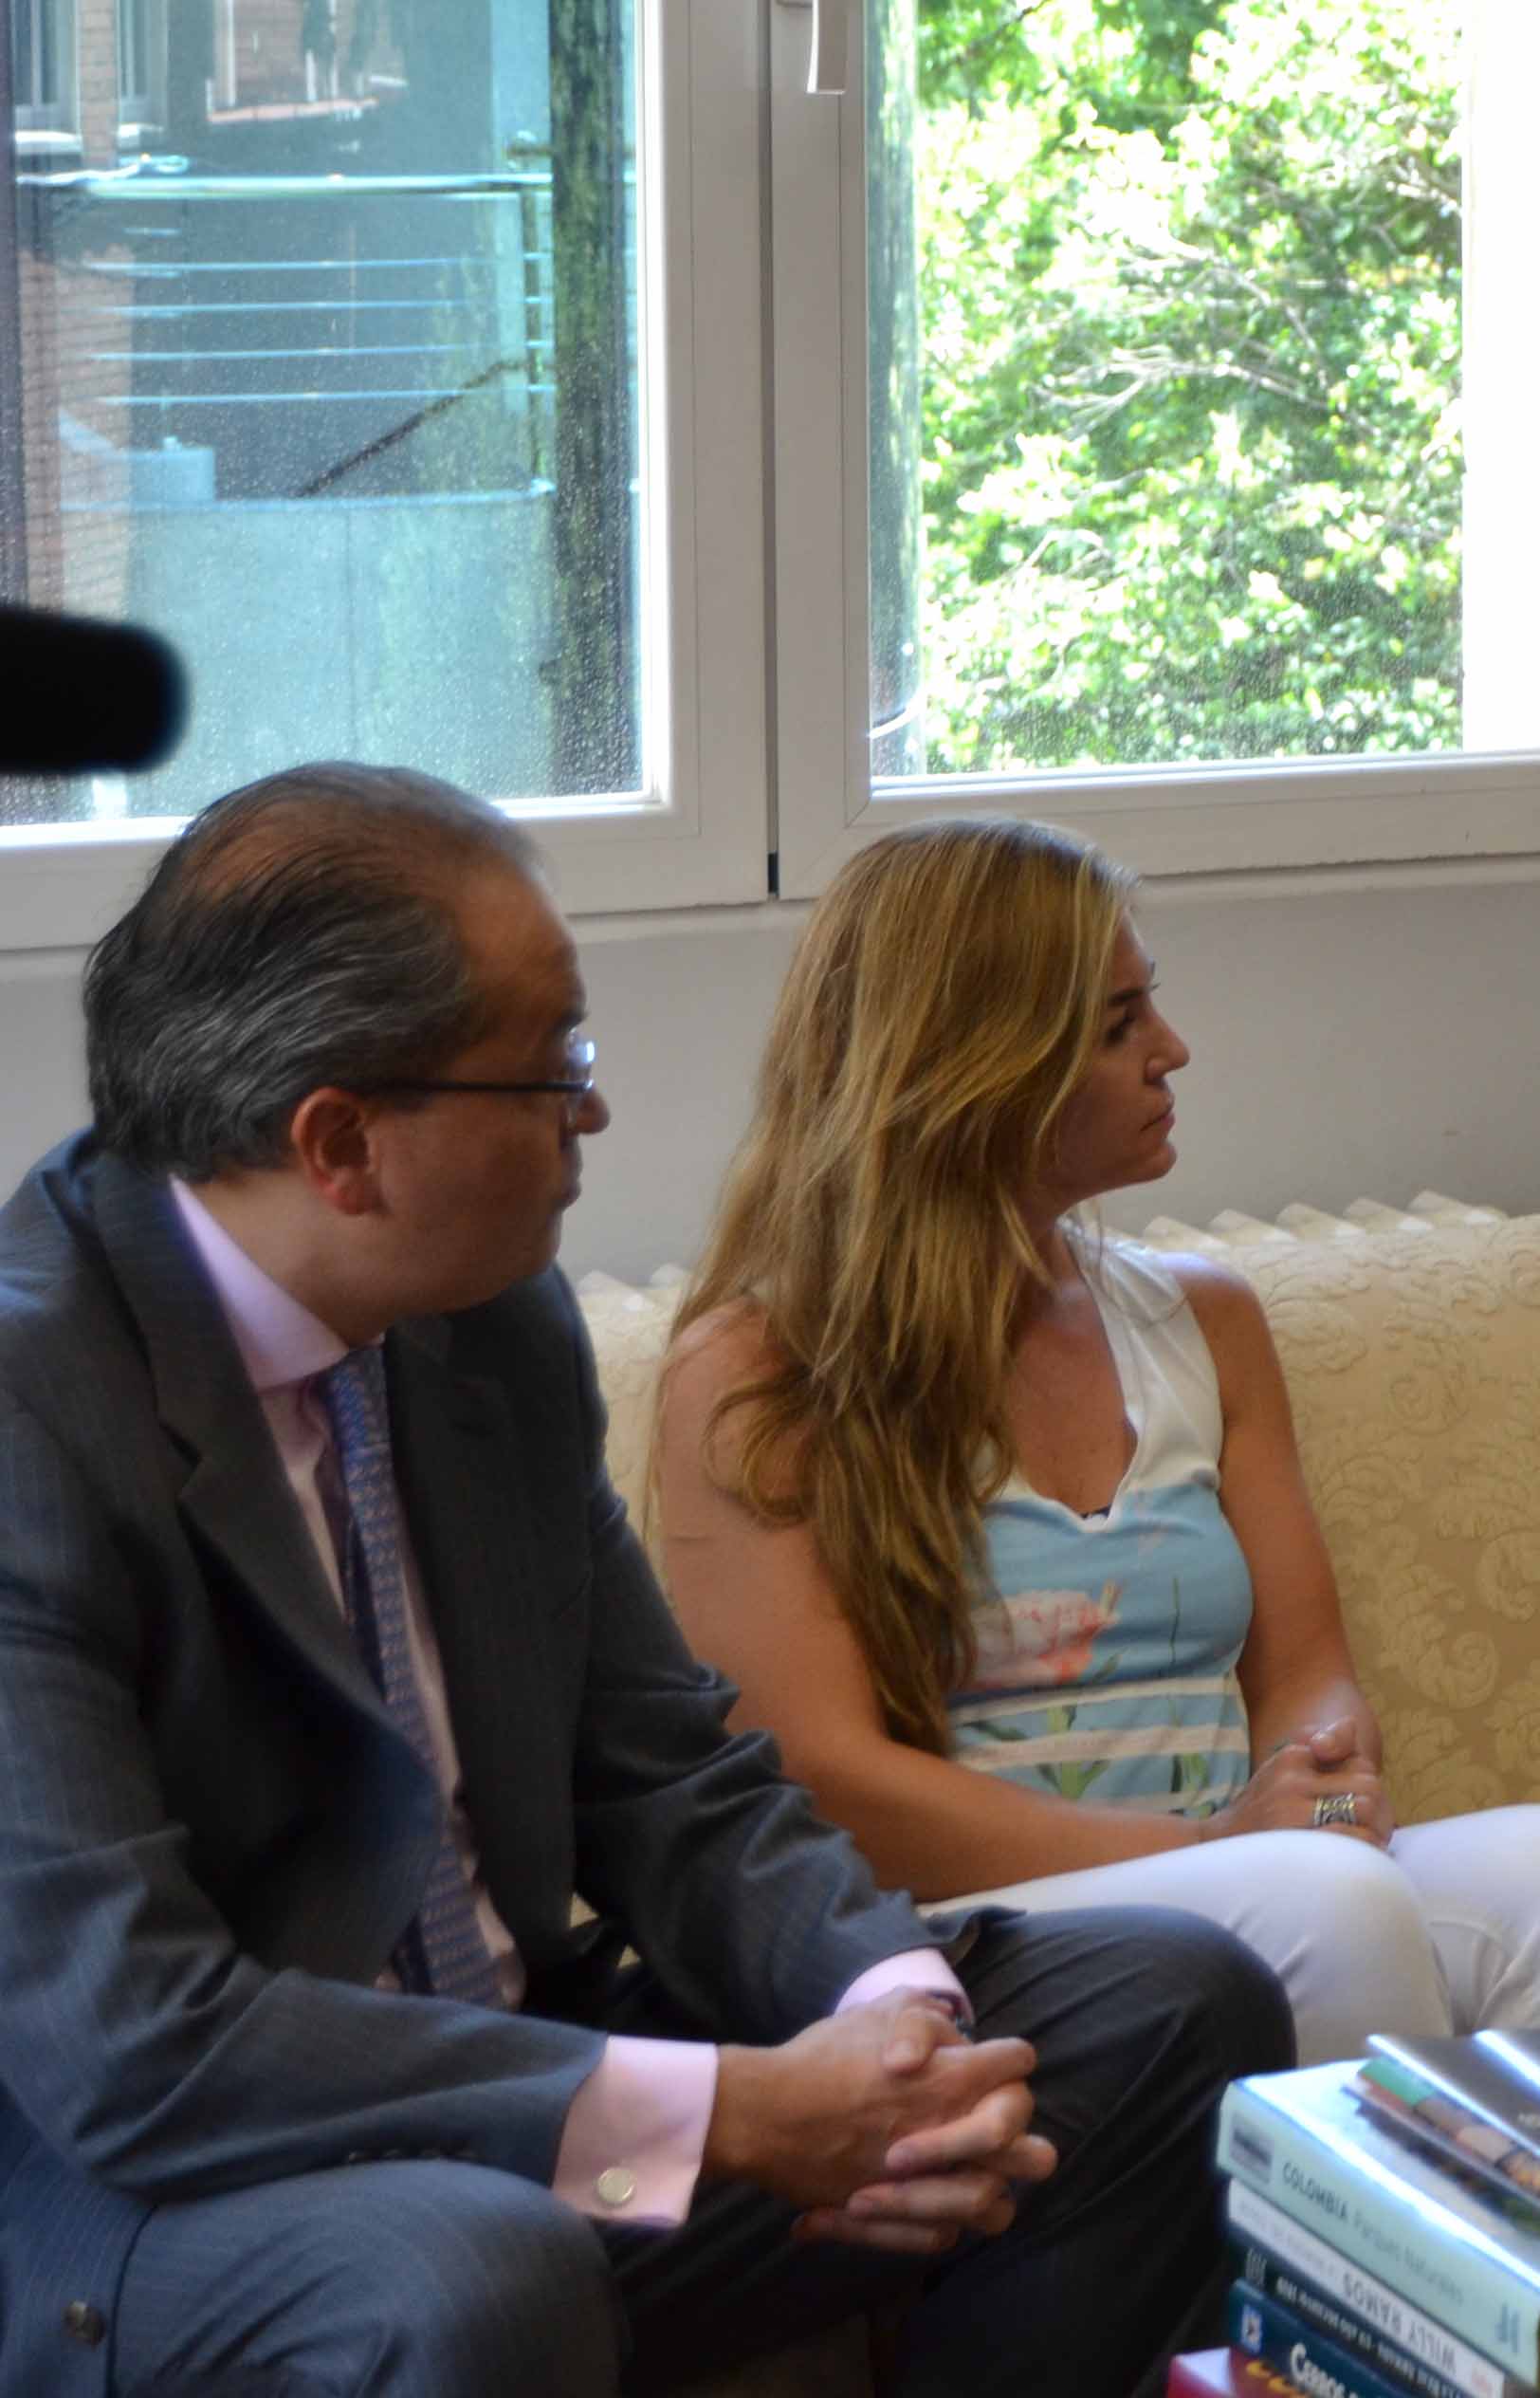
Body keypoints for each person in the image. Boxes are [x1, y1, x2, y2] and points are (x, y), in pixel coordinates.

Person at [0, 766, 1290, 2397]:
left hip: (536, 2085)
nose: (591, 1117)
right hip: (174, 2199)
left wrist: (899, 2022)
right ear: (341, 1144)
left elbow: (671, 1773)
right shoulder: (32, 1407)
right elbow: (139, 2042)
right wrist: (731, 2113)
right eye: (555, 1070)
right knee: (478, 2268)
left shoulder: (486, 1319)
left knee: (1170, 2002)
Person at [649, 815, 1540, 2069]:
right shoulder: (758, 1370)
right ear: (975, 1068)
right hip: (958, 1930)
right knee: (1332, 1902)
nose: (1172, 1050)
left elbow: (1307, 1671)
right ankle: (1334, 2208)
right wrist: (1222, 1850)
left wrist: (1321, 1779)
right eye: (1117, 1024)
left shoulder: (1204, 1322)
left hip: (1241, 1864)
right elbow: (821, 1780)